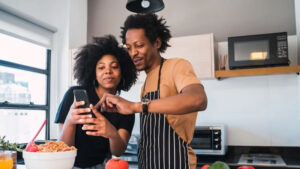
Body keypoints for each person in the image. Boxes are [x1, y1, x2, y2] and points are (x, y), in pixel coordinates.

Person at [97, 14, 208, 169]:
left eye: (139, 45)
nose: (133, 53)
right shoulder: (146, 82)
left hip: (175, 163)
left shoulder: (177, 66)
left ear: (156, 42)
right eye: (129, 48)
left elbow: (198, 99)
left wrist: (136, 106)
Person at [54, 35, 137, 169]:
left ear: (123, 72)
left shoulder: (126, 108)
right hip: (68, 165)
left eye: (114, 66)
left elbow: (118, 151)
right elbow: (63, 148)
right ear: (93, 72)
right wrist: (70, 120)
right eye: (101, 67)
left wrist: (112, 133)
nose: (108, 71)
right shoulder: (74, 95)